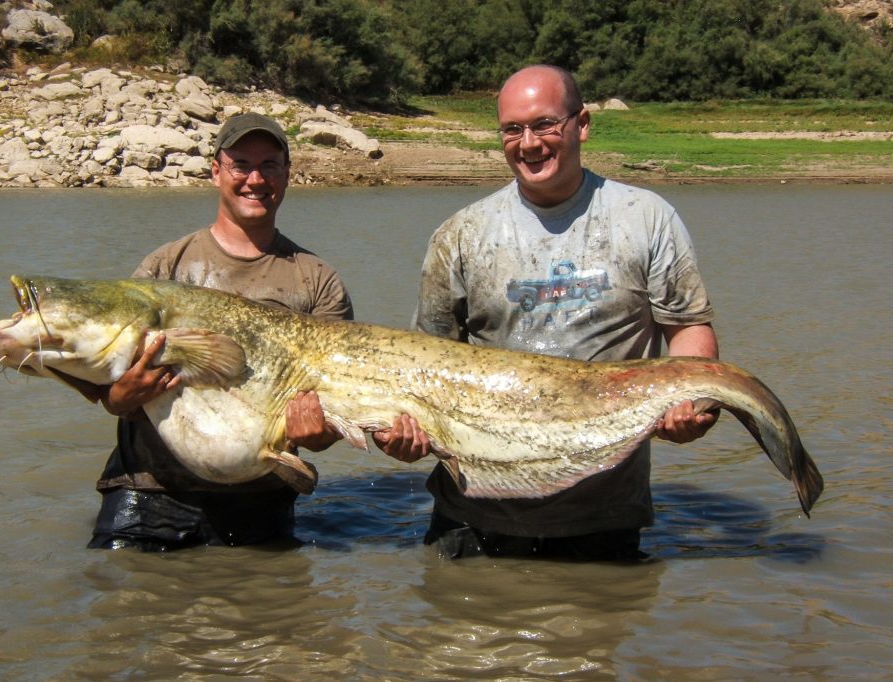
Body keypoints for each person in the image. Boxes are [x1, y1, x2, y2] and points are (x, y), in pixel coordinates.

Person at [377, 65, 719, 560]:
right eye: (513, 129)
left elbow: (688, 332)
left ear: (581, 123)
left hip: (603, 516)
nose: (529, 143)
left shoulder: (646, 218)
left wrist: (691, 402)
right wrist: (405, 432)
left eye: (544, 125)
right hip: (475, 515)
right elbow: (423, 365)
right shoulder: (460, 234)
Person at [87, 113, 353, 551]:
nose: (255, 179)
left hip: (260, 496)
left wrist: (319, 432)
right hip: (148, 492)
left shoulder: (317, 280)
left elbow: (329, 421)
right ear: (215, 171)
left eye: (270, 165)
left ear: (287, 174)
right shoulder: (164, 267)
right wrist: (121, 397)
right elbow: (114, 395)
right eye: (241, 164)